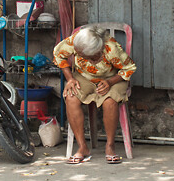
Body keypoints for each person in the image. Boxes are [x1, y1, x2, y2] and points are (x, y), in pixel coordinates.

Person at [53, 25, 136, 165]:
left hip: (113, 78)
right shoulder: (76, 41)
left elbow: (129, 68)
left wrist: (109, 82)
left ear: (95, 52)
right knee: (71, 96)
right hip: (84, 77)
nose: (77, 54)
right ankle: (82, 147)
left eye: (82, 54)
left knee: (109, 101)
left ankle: (110, 146)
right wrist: (70, 79)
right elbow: (58, 53)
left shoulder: (111, 48)